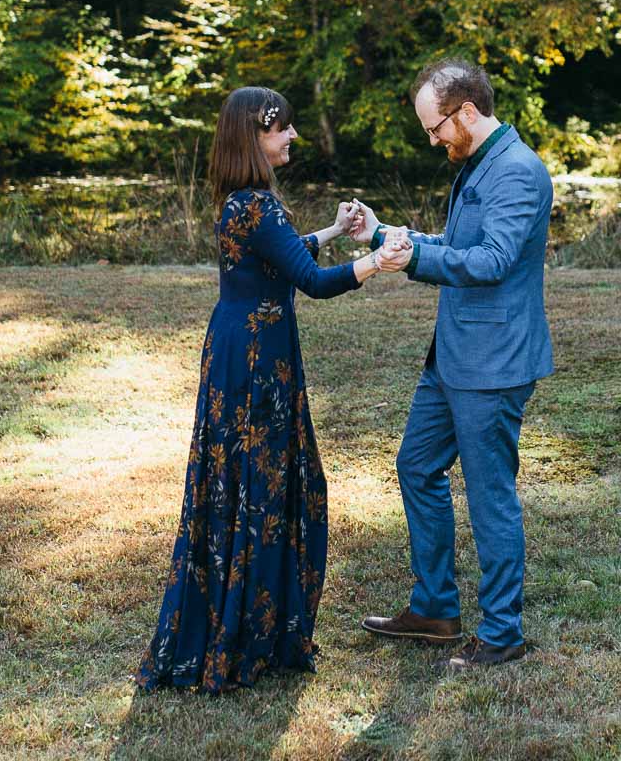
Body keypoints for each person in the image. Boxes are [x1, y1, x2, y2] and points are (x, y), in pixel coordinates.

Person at [136, 86, 411, 694]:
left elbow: (280, 258)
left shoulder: (246, 203)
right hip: (256, 363)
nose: (291, 137)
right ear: (252, 138)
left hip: (244, 350)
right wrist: (377, 263)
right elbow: (309, 281)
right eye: (280, 129)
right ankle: (248, 635)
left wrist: (336, 231)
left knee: (245, 484)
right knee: (263, 487)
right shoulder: (256, 206)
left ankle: (250, 627)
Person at [352, 58, 555, 670]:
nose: (433, 139)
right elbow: (457, 244)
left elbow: (490, 261)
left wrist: (409, 262)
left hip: (492, 364)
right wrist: (381, 233)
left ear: (467, 111)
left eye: (435, 127)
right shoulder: (478, 163)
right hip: (453, 359)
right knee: (416, 466)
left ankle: (501, 634)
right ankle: (436, 608)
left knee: (490, 496)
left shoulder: (517, 172)